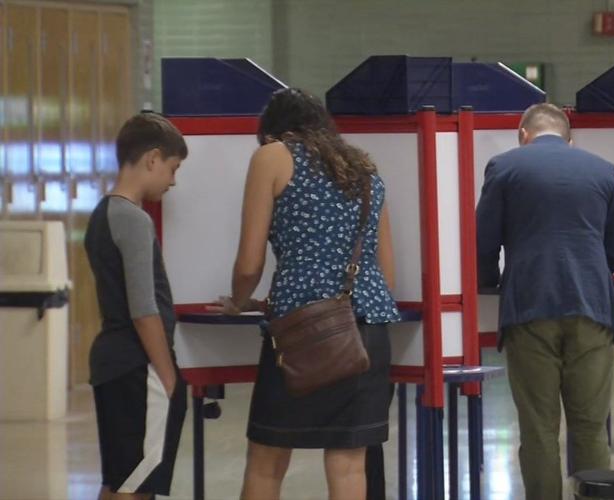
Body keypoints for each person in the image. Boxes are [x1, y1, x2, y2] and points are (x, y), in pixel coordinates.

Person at [211, 88, 399, 500]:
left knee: (268, 460)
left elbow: (248, 263)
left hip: (301, 330)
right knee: (350, 466)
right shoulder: (364, 168)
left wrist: (238, 302)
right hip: (364, 329)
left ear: (272, 130)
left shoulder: (273, 156)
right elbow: (386, 273)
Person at [476, 103, 614, 499]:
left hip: (529, 305)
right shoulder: (602, 169)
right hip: (592, 306)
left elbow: (484, 242)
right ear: (568, 137)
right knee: (591, 426)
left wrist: (490, 282)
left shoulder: (505, 167)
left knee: (539, 428)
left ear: (523, 133)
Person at [84, 112, 189, 499]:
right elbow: (143, 309)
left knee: (118, 482)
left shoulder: (102, 214)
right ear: (153, 159)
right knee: (137, 486)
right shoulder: (134, 219)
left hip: (113, 363)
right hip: (137, 366)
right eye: (173, 169)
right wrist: (168, 376)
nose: (173, 181)